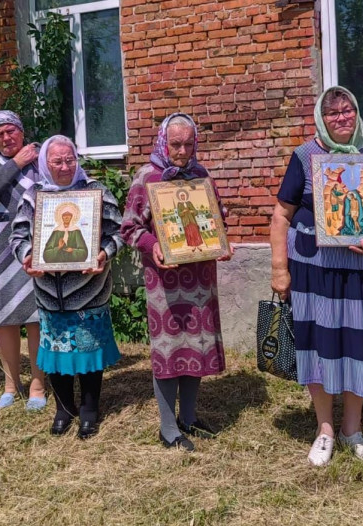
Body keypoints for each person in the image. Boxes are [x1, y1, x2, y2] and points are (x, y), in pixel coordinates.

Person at [270, 86, 363, 467]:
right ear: (321, 118)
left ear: (357, 113)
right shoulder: (305, 156)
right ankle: (325, 429)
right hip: (315, 269)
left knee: (358, 343)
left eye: (348, 110)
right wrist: (279, 269)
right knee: (321, 345)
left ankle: (352, 429)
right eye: (333, 113)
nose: (342, 117)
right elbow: (281, 215)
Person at [121, 113, 233, 452]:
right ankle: (168, 427)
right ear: (163, 142)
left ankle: (189, 416)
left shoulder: (202, 175)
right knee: (170, 349)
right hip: (165, 280)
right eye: (175, 144)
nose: (182, 151)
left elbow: (217, 217)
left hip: (200, 278)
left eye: (188, 144)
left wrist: (221, 242)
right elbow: (129, 227)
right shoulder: (147, 177)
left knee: (195, 344)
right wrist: (152, 245)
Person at [10, 135, 123, 439]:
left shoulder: (96, 192)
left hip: (89, 290)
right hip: (49, 293)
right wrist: (28, 257)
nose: (64, 166)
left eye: (70, 159)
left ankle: (89, 409)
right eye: (57, 161)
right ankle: (64, 408)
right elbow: (18, 236)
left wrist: (103, 254)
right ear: (44, 163)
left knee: (89, 350)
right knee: (56, 353)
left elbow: (118, 232)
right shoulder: (34, 196)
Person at [0, 110, 45, 411]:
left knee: (36, 315)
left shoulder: (40, 155)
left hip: (36, 238)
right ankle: (10, 385)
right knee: (5, 315)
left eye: (11, 131)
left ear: (22, 131)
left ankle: (38, 384)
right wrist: (17, 163)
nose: (6, 138)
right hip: (4, 243)